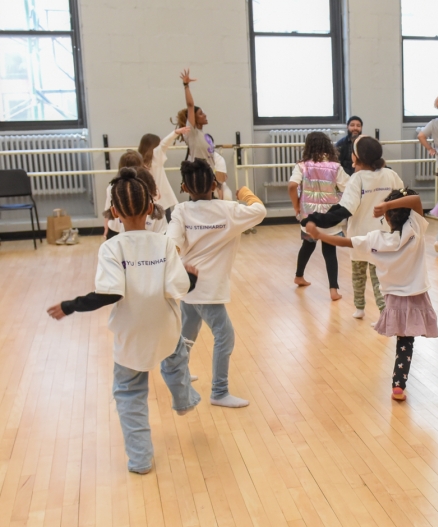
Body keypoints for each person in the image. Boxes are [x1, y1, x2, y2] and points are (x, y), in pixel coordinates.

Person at [46, 167, 200, 475]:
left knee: (130, 395)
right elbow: (178, 288)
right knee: (176, 355)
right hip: (165, 329)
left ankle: (141, 460)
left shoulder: (111, 248)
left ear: (114, 211)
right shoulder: (165, 243)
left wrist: (70, 305)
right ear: (149, 208)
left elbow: (108, 294)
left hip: (130, 336)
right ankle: (183, 401)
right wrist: (192, 278)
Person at [306, 189, 438, 401]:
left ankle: (398, 386)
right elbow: (416, 200)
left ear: (386, 218)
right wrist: (388, 205)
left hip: (394, 300)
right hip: (416, 296)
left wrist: (320, 235)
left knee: (404, 341)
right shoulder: (415, 229)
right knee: (407, 341)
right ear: (410, 214)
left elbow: (346, 242)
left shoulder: (376, 239)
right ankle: (398, 385)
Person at [167, 159, 267, 408]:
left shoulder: (180, 210)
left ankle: (177, 372)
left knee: (187, 331)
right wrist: (246, 193)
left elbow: (171, 244)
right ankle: (219, 392)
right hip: (208, 290)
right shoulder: (228, 209)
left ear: (183, 187)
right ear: (214, 183)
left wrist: (178, 265)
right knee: (225, 336)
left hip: (187, 284)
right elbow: (260, 211)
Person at [303, 136, 404, 320]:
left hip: (360, 237)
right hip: (382, 236)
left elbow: (343, 209)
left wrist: (316, 219)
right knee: (374, 276)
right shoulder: (390, 174)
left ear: (356, 157)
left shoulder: (357, 178)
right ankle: (361, 308)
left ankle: (382, 314)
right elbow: (402, 198)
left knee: (366, 276)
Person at [288, 132, 349, 298]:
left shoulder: (302, 165)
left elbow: (292, 186)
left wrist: (296, 207)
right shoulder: (336, 167)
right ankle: (333, 290)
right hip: (329, 216)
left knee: (308, 245)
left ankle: (299, 276)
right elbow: (347, 188)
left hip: (308, 215)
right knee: (330, 250)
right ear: (328, 145)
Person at [138, 127, 188, 220]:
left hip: (146, 202)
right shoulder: (156, 157)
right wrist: (175, 133)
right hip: (161, 201)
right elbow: (164, 144)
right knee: (166, 228)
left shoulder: (138, 161)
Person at [103, 151, 146, 239]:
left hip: (116, 228)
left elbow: (108, 209)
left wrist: (106, 227)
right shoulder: (144, 187)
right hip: (135, 230)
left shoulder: (112, 186)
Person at [177, 69, 214, 169]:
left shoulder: (205, 136)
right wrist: (186, 85)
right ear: (194, 118)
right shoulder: (192, 132)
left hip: (210, 175)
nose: (205, 115)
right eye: (201, 114)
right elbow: (190, 105)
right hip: (198, 175)